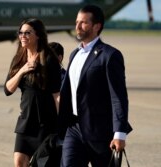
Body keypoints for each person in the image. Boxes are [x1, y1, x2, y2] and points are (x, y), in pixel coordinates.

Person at [58, 5, 132, 167]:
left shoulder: (110, 55)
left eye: (83, 23)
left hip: (101, 132)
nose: (77, 26)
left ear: (96, 26)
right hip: (74, 129)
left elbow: (118, 97)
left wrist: (120, 133)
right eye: (77, 22)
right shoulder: (74, 54)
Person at [4, 18, 61, 167]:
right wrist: (22, 71)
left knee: (42, 164)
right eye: (20, 32)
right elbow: (7, 89)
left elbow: (57, 95)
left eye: (27, 33)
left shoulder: (49, 60)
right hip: (26, 122)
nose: (23, 36)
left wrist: (62, 124)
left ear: (38, 35)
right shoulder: (18, 58)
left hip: (46, 124)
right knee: (19, 162)